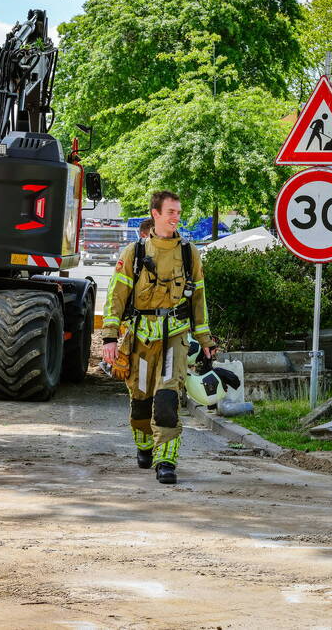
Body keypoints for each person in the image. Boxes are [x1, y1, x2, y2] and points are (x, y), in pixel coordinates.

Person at [102, 191, 216, 484]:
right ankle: (144, 445)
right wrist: (110, 339)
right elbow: (116, 297)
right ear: (155, 214)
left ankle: (166, 460)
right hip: (140, 338)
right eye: (171, 212)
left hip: (175, 337)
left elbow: (198, 300)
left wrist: (205, 341)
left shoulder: (189, 254)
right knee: (141, 400)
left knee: (167, 399)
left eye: (179, 212)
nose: (176, 217)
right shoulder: (134, 253)